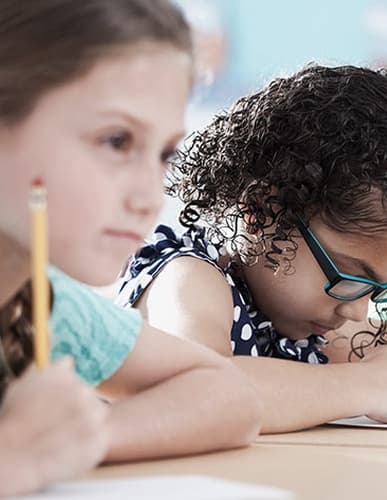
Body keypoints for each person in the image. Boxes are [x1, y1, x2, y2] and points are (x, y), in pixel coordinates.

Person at [116, 65, 387, 432]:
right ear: (262, 210)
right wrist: (369, 385)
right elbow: (199, 390)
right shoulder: (189, 278)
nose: (357, 312)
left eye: (379, 289)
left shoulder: (303, 323)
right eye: (350, 276)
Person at [0, 1, 261, 487]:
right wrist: (13, 458)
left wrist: (72, 440)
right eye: (117, 141)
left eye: (164, 153)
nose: (149, 198)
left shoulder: (41, 303)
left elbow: (231, 395)